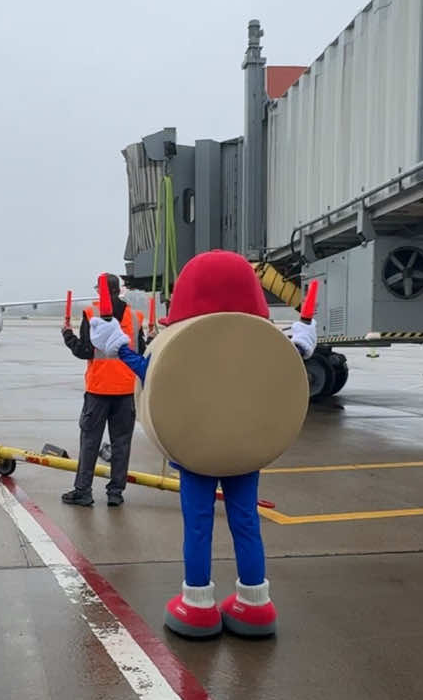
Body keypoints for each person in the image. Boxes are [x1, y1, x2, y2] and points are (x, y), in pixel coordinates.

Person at [88, 250, 316, 637]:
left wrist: (120, 346)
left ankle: (197, 605)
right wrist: (302, 338)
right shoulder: (262, 345)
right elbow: (284, 373)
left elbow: (156, 376)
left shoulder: (185, 348)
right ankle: (255, 605)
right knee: (246, 524)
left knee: (198, 526)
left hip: (195, 451)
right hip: (247, 449)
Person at [61, 273, 146, 507]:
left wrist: (68, 335)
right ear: (119, 290)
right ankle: (115, 493)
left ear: (101, 292)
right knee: (121, 444)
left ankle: (83, 491)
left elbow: (85, 351)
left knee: (90, 442)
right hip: (125, 391)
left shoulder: (92, 314)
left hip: (98, 391)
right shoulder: (135, 318)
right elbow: (141, 353)